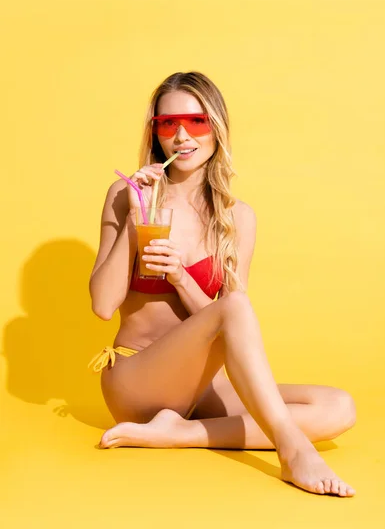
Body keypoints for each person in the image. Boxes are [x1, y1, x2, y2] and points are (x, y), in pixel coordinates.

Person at [88, 71, 356, 497]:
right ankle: (293, 451)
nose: (181, 136)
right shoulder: (125, 195)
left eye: (197, 122)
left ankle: (178, 433)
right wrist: (134, 222)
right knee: (235, 305)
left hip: (197, 386)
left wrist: (178, 277)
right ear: (155, 132)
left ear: (217, 128)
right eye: (168, 124)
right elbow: (103, 305)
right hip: (135, 379)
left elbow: (230, 325)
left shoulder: (238, 218)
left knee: (338, 408)